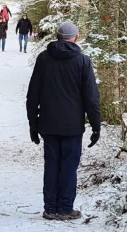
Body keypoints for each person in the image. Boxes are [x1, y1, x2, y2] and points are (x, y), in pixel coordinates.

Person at [26, 21, 101, 221]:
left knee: (51, 165)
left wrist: (33, 124)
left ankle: (50, 208)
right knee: (68, 166)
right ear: (75, 38)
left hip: (48, 124)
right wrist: (96, 125)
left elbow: (33, 94)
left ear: (57, 37)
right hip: (72, 126)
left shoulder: (43, 59)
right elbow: (91, 98)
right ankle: (65, 208)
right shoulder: (83, 62)